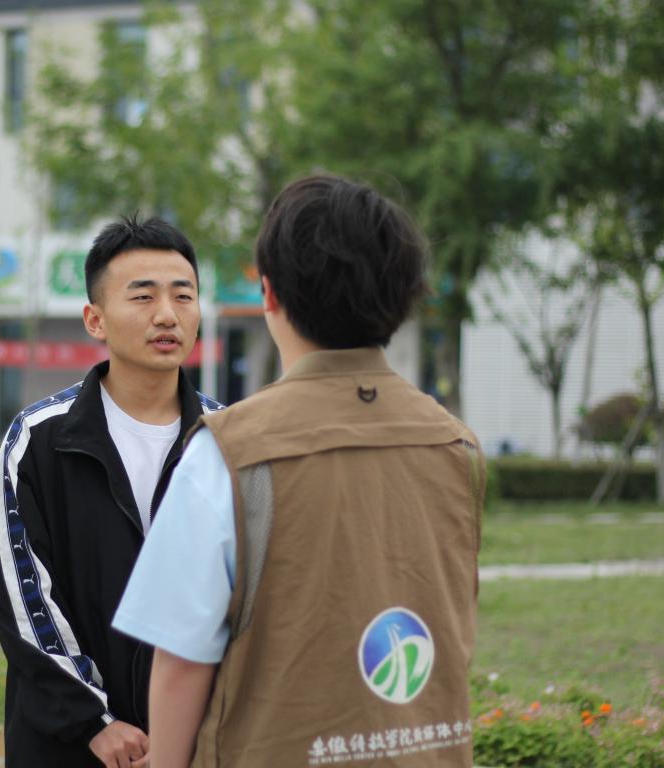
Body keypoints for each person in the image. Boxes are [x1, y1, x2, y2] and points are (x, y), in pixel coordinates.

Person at [114, 175, 487, 768]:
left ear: (268, 293)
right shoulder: (456, 445)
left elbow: (182, 663)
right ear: (403, 294)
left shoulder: (227, 451)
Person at [0, 216, 223, 768]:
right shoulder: (39, 439)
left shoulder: (227, 439)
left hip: (196, 745)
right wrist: (95, 721)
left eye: (183, 296)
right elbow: (23, 598)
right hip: (69, 748)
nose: (167, 315)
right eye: (143, 296)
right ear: (95, 319)